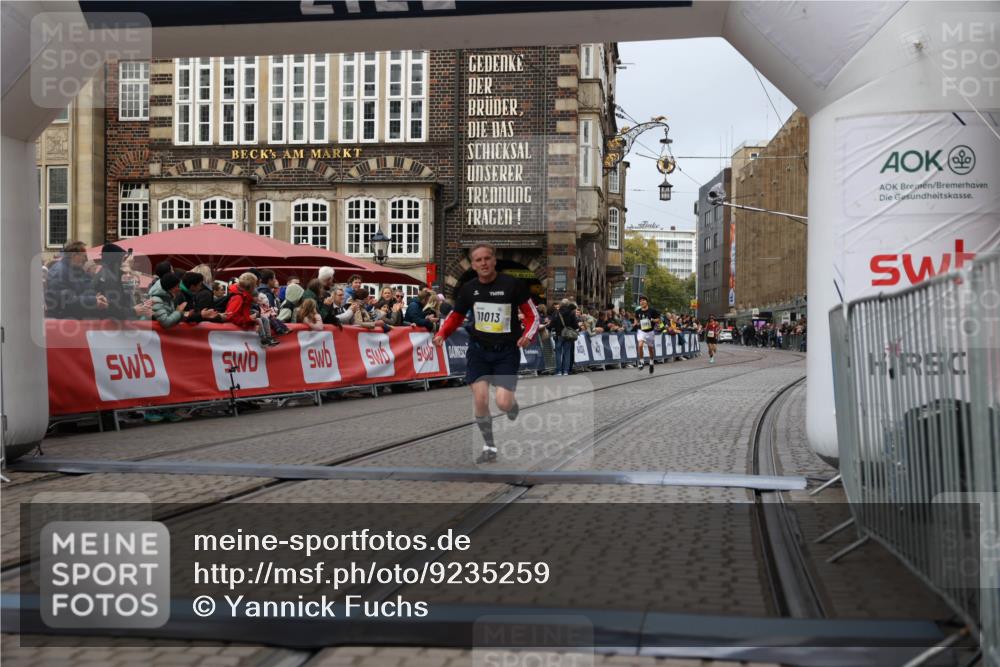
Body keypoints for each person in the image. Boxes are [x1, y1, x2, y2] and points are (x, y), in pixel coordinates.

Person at [433, 243, 538, 463]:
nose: (483, 263)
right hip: (479, 352)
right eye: (478, 260)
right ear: (473, 264)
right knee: (480, 399)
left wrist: (528, 335)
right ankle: (489, 446)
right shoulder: (468, 289)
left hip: (506, 352)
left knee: (502, 403)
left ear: (494, 260)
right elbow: (456, 316)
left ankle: (511, 405)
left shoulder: (513, 285)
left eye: (487, 258)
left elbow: (532, 315)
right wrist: (442, 333)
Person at [45, 241, 108, 319]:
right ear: (74, 255)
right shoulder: (58, 272)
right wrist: (93, 301)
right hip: (62, 320)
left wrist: (96, 297)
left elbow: (86, 288)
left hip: (75, 317)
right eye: (84, 256)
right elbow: (64, 301)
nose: (86, 260)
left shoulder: (77, 270)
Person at [92, 243, 153, 320]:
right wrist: (133, 311)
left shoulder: (108, 274)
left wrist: (138, 308)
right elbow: (112, 310)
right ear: (116, 259)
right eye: (122, 258)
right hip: (109, 325)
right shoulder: (109, 278)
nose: (123, 262)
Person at [223, 272, 279, 346]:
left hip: (242, 323)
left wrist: (250, 320)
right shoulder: (238, 297)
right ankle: (264, 340)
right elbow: (230, 316)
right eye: (255, 284)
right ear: (250, 287)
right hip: (237, 328)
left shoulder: (244, 296)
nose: (256, 286)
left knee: (263, 319)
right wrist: (248, 320)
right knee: (259, 319)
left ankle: (267, 338)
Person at [550, 298, 579, 377]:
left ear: (561, 304)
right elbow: (575, 325)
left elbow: (551, 324)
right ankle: (566, 371)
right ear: (568, 304)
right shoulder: (571, 313)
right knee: (567, 353)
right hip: (568, 335)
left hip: (559, 335)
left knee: (558, 353)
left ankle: (559, 371)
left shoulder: (556, 312)